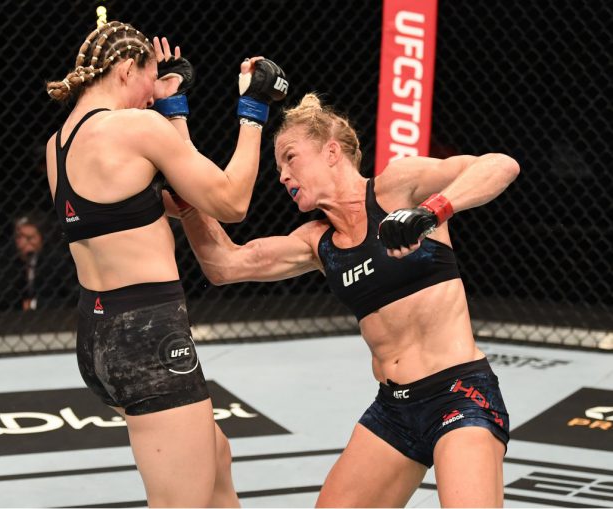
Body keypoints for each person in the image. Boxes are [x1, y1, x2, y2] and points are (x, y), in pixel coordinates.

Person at [174, 93, 520, 507]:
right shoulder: (317, 242)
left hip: (460, 392)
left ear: (331, 151)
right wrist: (185, 194)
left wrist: (431, 212)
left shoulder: (397, 187)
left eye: (290, 158)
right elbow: (225, 265)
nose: (283, 175)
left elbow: (500, 165)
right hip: (394, 410)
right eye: (279, 167)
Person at [44, 20, 287, 507]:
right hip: (148, 338)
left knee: (215, 458)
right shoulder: (134, 127)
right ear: (125, 69)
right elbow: (231, 202)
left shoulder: (59, 143)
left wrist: (172, 106)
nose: (150, 97)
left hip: (98, 334)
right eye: (149, 82)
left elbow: (173, 194)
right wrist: (254, 110)